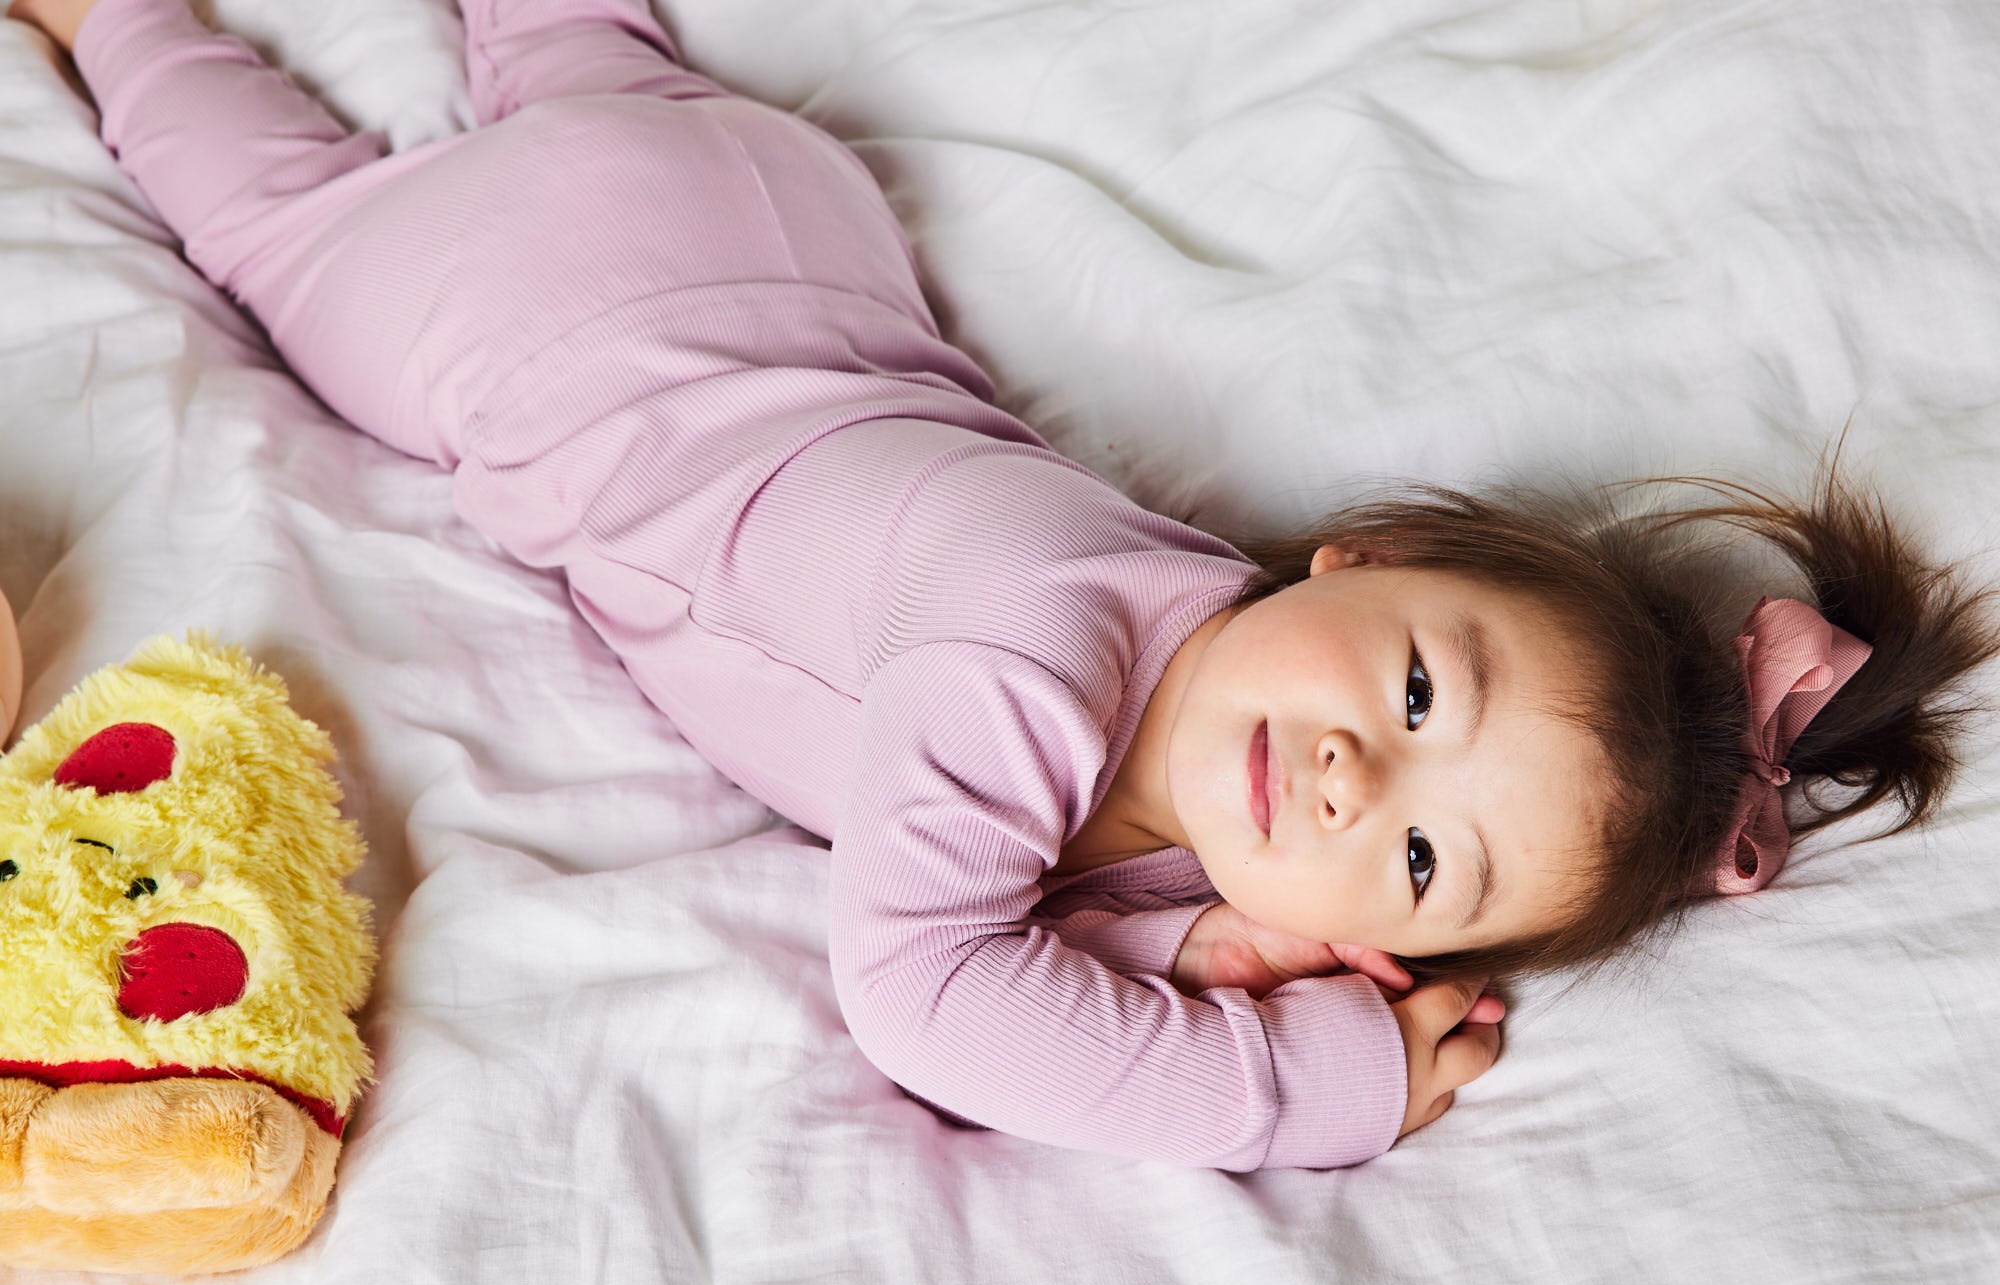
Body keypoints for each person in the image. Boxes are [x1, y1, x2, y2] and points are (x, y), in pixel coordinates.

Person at [9, 0, 1993, 1171]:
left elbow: (1063, 901)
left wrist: (1186, 956)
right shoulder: (1030, 648)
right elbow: (930, 989)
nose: (1345, 787)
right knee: (277, 230)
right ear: (1361, 557)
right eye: (1410, 697)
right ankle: (118, 25)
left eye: (1415, 865)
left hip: (773, 216)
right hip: (539, 323)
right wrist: (1294, 1082)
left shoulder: (1181, 743)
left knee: (577, 49)